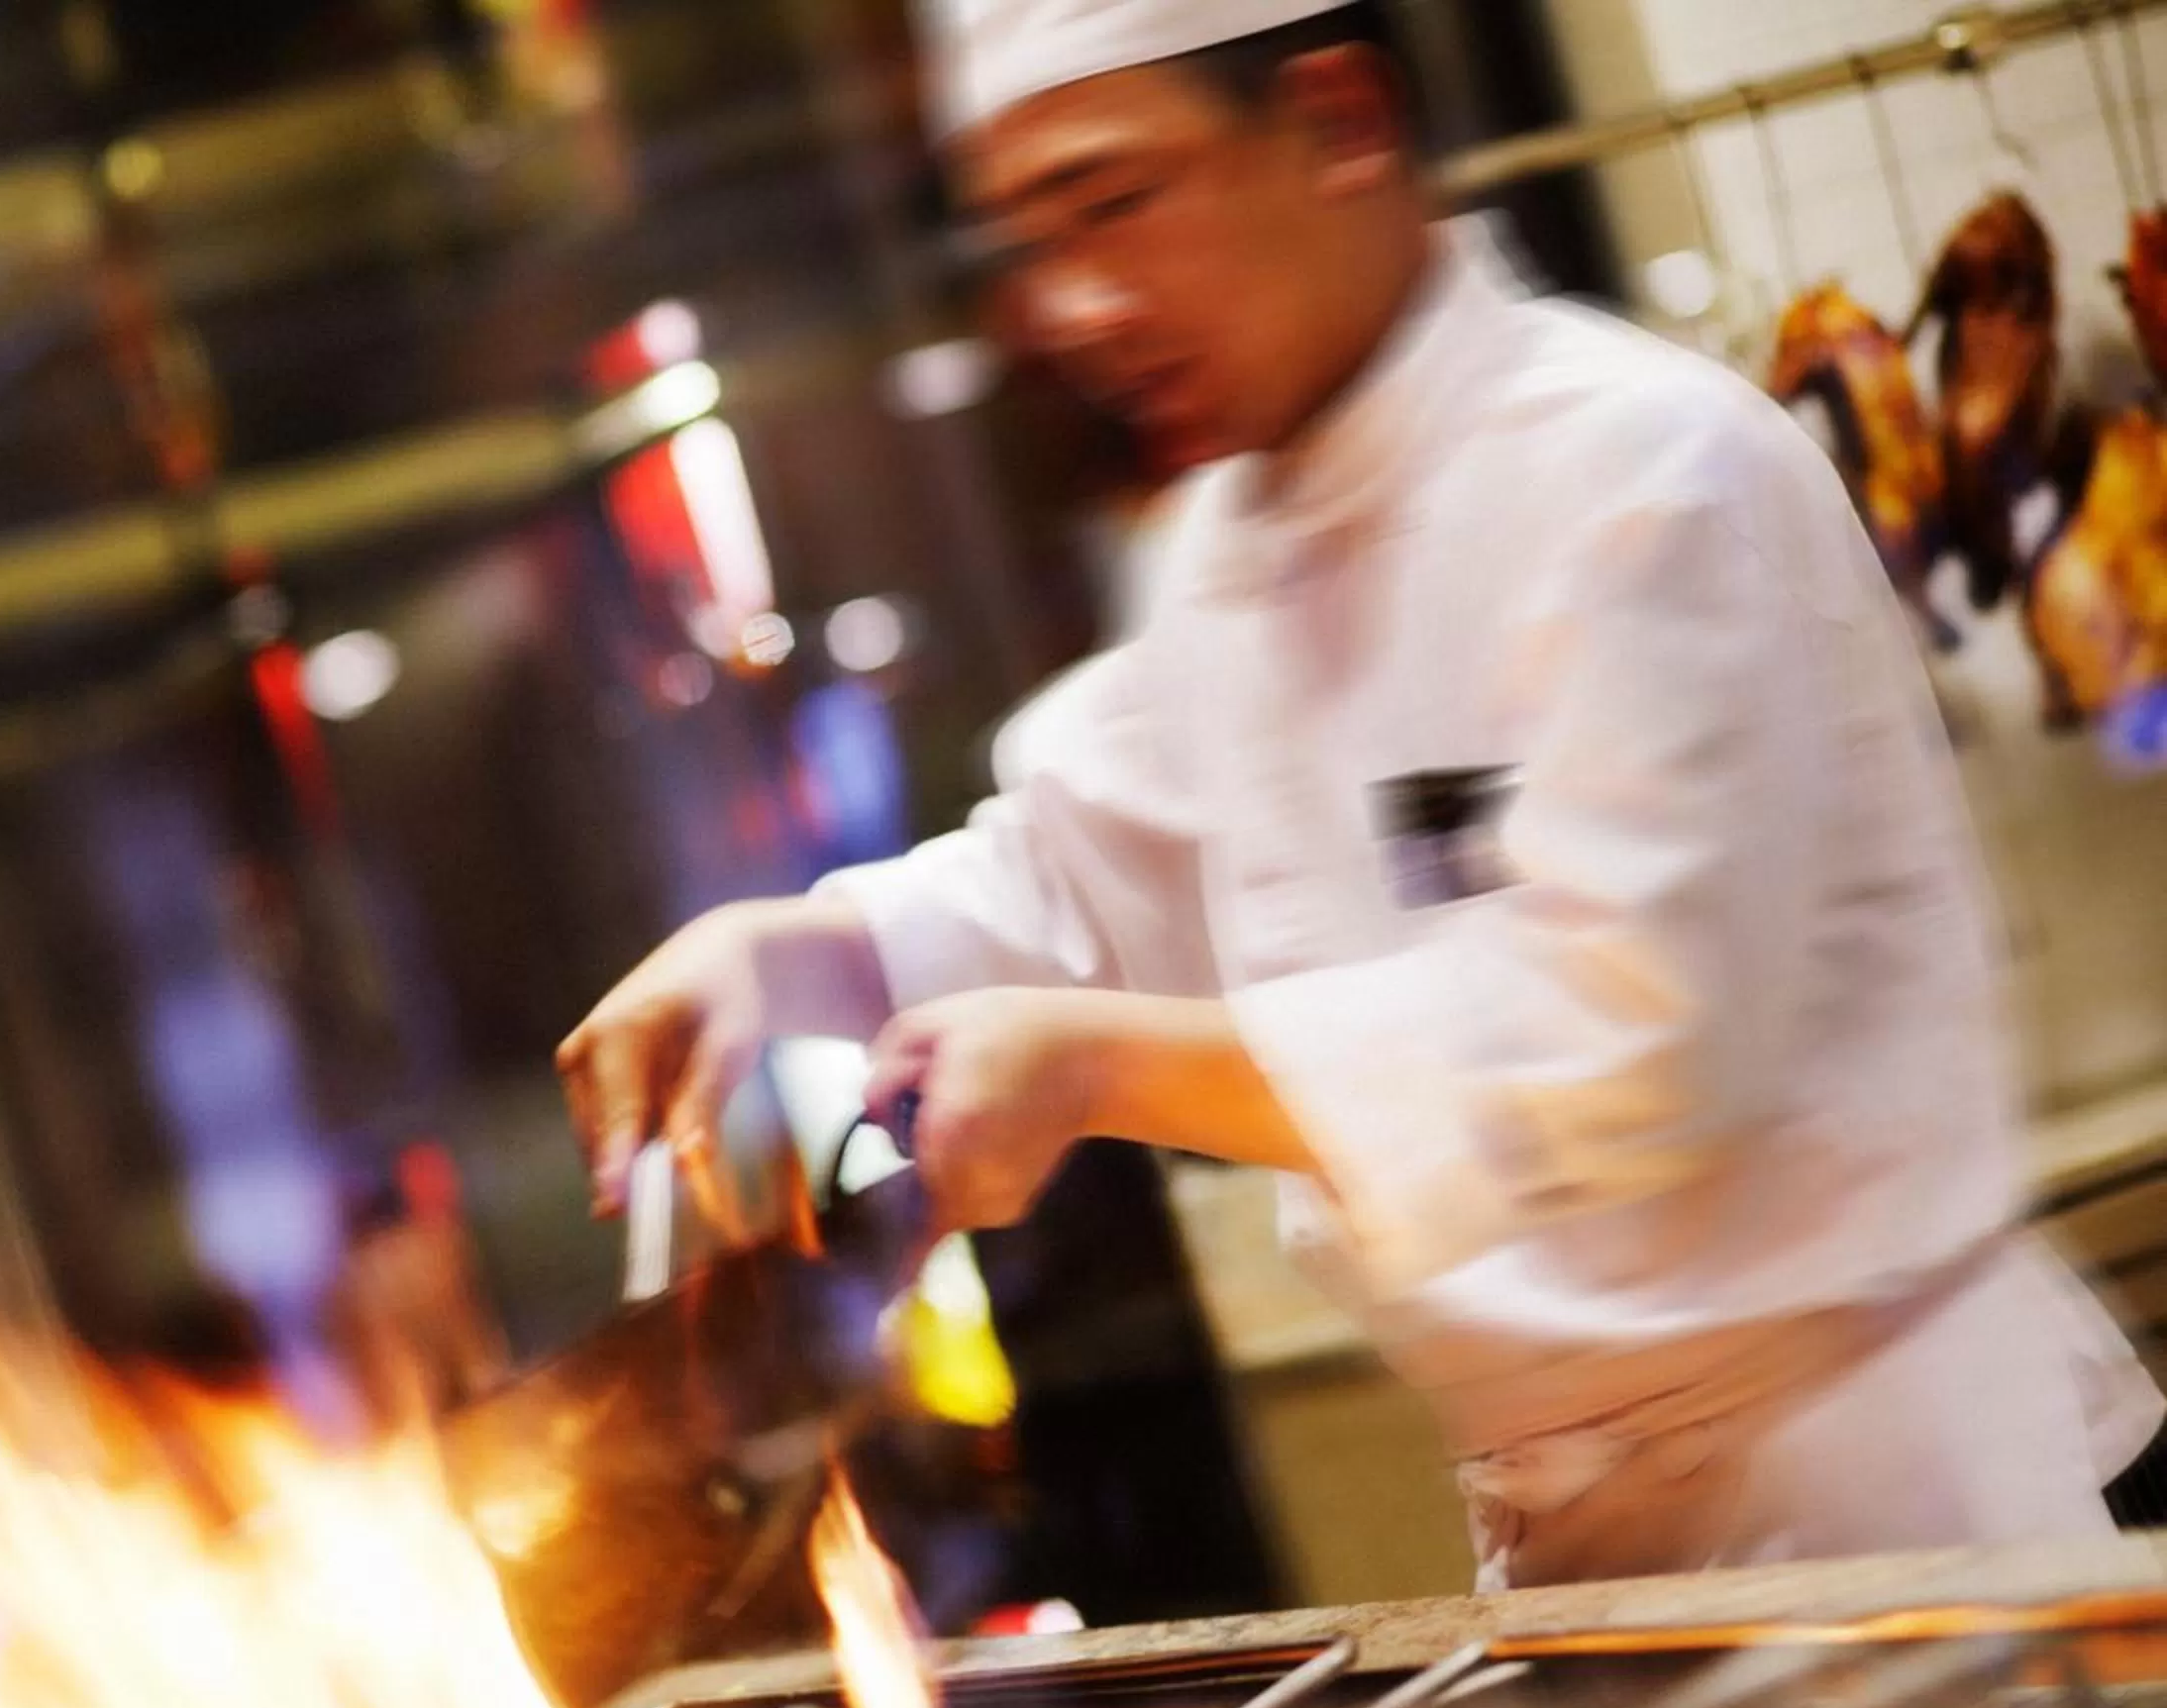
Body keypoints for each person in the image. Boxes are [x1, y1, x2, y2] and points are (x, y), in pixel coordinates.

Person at [555, 0, 2165, 1590]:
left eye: (1115, 201)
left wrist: (1101, 1065)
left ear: (1338, 122)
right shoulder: (1231, 548)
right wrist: (792, 953)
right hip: (1589, 1551)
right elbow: (1075, 868)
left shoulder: (1644, 471)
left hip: (1891, 1519)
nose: (1073, 306)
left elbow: (1640, 1031)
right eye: (1029, 243)